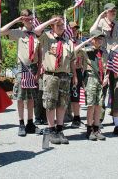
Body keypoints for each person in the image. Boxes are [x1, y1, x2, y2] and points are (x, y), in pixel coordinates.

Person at [33, 15, 77, 145]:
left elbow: (73, 60)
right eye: (58, 25)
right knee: (50, 103)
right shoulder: (46, 38)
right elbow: (36, 31)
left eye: (63, 25)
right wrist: (51, 21)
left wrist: (74, 75)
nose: (61, 27)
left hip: (64, 75)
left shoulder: (68, 41)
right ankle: (51, 129)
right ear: (52, 26)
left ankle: (59, 129)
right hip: (51, 75)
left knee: (62, 104)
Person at [0, 9, 41, 136]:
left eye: (29, 18)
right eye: (25, 18)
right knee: (20, 96)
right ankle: (21, 123)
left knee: (31, 97)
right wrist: (16, 20)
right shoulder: (18, 33)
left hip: (34, 67)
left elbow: (40, 54)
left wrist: (39, 71)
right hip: (22, 67)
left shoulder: (36, 33)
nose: (28, 20)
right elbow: (1, 32)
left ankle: (30, 123)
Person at [75, 30, 108, 140]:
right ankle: (89, 129)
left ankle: (96, 128)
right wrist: (87, 41)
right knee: (91, 105)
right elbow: (74, 51)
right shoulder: (86, 51)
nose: (99, 41)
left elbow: (106, 67)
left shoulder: (104, 52)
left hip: (101, 79)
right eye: (97, 38)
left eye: (101, 39)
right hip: (90, 78)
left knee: (99, 105)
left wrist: (106, 78)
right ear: (92, 39)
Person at [68, 21, 84, 128]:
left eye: (76, 28)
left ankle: (76, 118)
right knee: (63, 96)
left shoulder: (79, 41)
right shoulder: (66, 41)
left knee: (75, 95)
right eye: (72, 28)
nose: (74, 30)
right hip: (67, 70)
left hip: (78, 70)